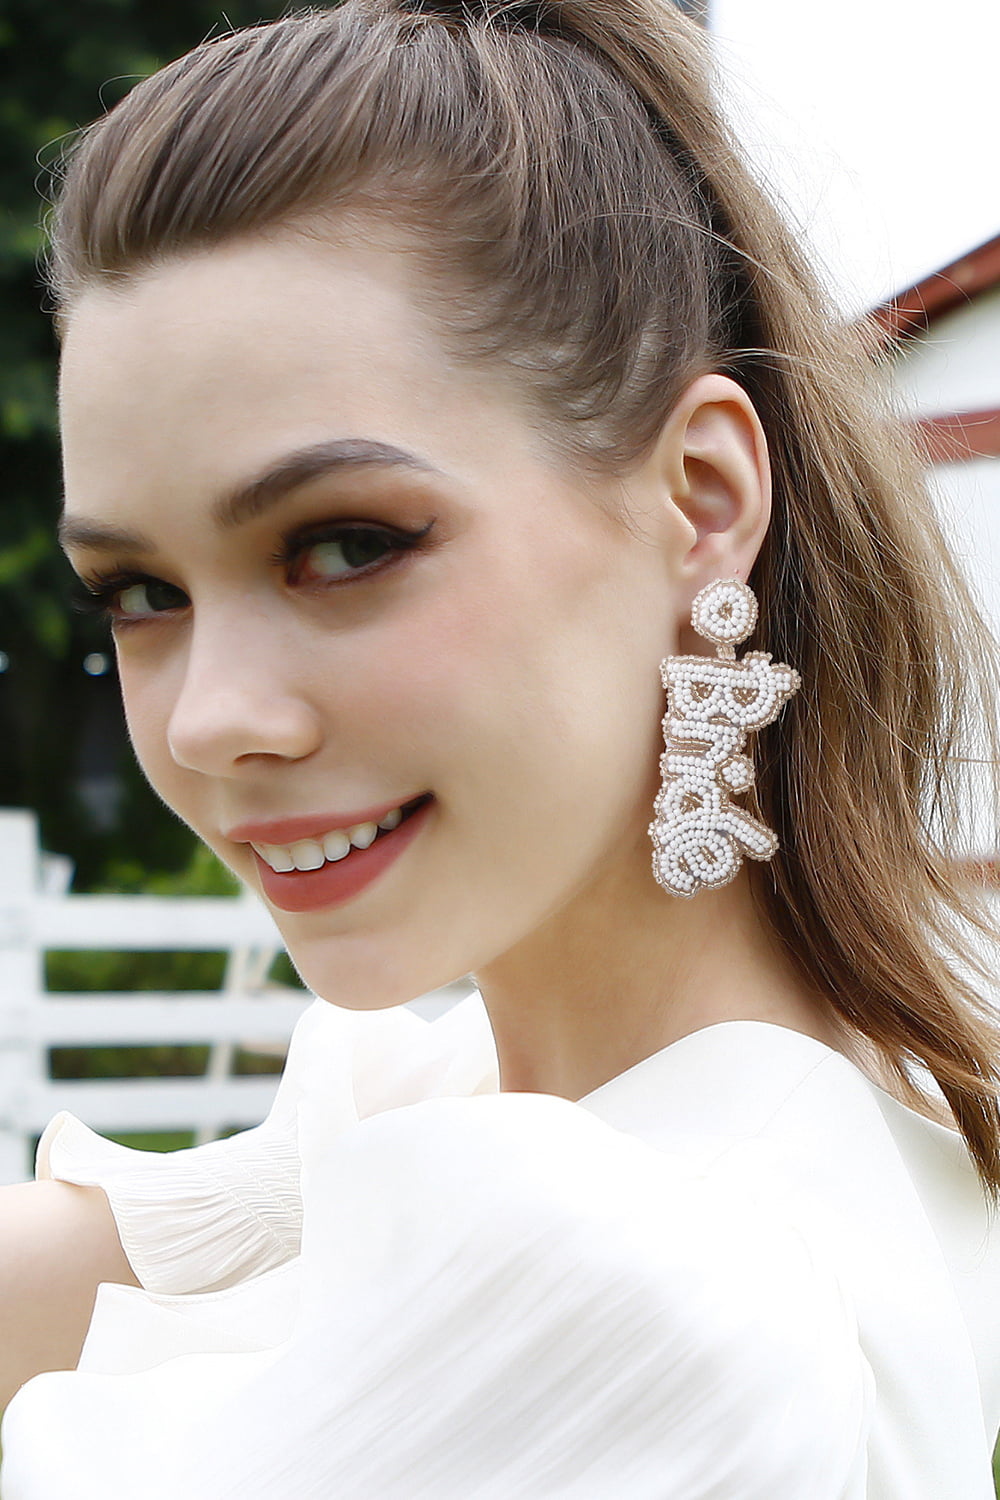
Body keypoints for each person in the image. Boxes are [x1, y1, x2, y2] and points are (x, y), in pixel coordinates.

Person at [1, 0, 999, 1494]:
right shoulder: (545, 1096)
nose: (210, 717)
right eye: (141, 595)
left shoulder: (617, 1284)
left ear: (704, 501)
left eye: (344, 546)